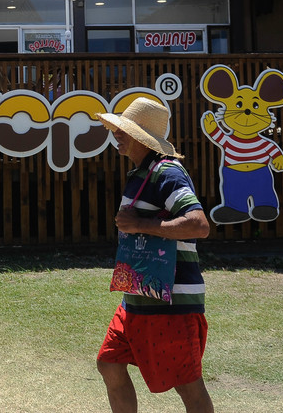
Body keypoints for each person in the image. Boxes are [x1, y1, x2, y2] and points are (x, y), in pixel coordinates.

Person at [94, 98, 214, 413]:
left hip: (172, 301)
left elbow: (199, 224)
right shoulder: (141, 173)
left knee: (187, 384)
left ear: (143, 138)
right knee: (109, 363)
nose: (117, 134)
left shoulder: (167, 172)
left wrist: (140, 224)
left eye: (125, 130)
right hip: (139, 295)